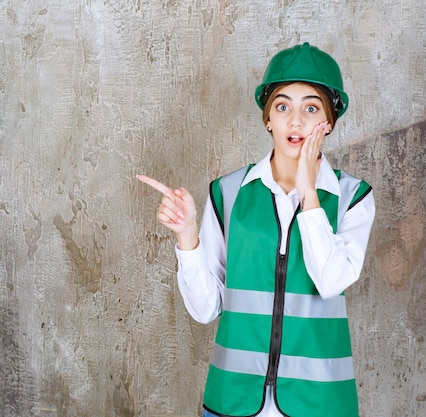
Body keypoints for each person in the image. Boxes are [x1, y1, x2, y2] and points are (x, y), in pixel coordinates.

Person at [138, 42, 375, 417]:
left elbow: (331, 281)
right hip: (232, 401)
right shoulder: (227, 193)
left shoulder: (352, 197)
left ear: (327, 123)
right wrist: (187, 237)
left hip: (320, 405)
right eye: (283, 107)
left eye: (310, 108)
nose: (295, 121)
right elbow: (205, 309)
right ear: (268, 119)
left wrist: (309, 193)